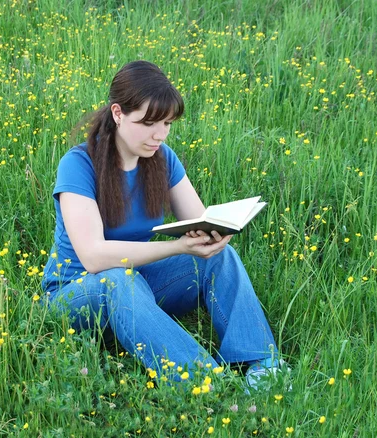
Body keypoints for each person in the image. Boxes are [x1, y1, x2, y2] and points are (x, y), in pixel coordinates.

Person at [42, 60, 282, 389]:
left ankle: (261, 363)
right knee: (117, 278)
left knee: (218, 259)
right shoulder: (78, 164)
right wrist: (176, 246)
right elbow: (93, 257)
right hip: (78, 296)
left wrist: (212, 238)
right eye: (148, 123)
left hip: (137, 286)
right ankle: (204, 381)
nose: (160, 134)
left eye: (167, 123)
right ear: (118, 113)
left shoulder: (161, 158)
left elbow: (198, 221)